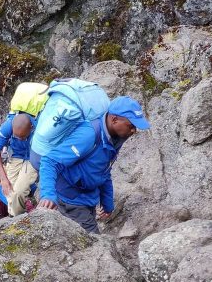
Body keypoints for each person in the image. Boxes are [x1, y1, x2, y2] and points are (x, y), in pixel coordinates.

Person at [37, 96, 151, 233]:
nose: (134, 131)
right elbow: (50, 161)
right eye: (131, 125)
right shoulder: (89, 135)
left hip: (87, 200)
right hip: (71, 200)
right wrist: (48, 195)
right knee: (93, 246)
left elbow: (103, 171)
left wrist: (107, 203)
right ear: (114, 119)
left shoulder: (114, 139)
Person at [0, 112, 37, 216]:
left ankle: (17, 217)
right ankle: (17, 214)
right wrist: (3, 177)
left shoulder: (39, 127)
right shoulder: (8, 126)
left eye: (22, 137)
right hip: (15, 154)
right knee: (9, 191)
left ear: (31, 128)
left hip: (33, 157)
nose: (19, 139)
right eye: (17, 136)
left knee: (19, 192)